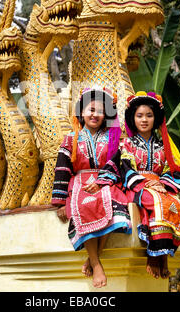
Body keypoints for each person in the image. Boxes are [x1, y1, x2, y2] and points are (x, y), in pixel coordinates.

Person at [97, 91, 180, 279]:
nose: (144, 119)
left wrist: (163, 184)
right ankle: (154, 255)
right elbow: (125, 167)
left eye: (149, 115)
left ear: (156, 118)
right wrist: (146, 183)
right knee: (154, 202)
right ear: (133, 118)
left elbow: (170, 169)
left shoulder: (163, 145)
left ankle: (163, 253)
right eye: (139, 115)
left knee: (176, 206)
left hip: (160, 187)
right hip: (136, 186)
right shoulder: (127, 144)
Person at [51, 87, 132, 288]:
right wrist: (60, 202)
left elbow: (116, 163)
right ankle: (97, 264)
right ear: (81, 112)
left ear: (107, 115)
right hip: (80, 181)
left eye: (100, 111)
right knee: (84, 204)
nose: (95, 114)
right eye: (90, 109)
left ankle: (93, 260)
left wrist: (101, 182)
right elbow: (62, 168)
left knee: (113, 204)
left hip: (105, 180)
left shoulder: (113, 138)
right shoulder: (71, 138)